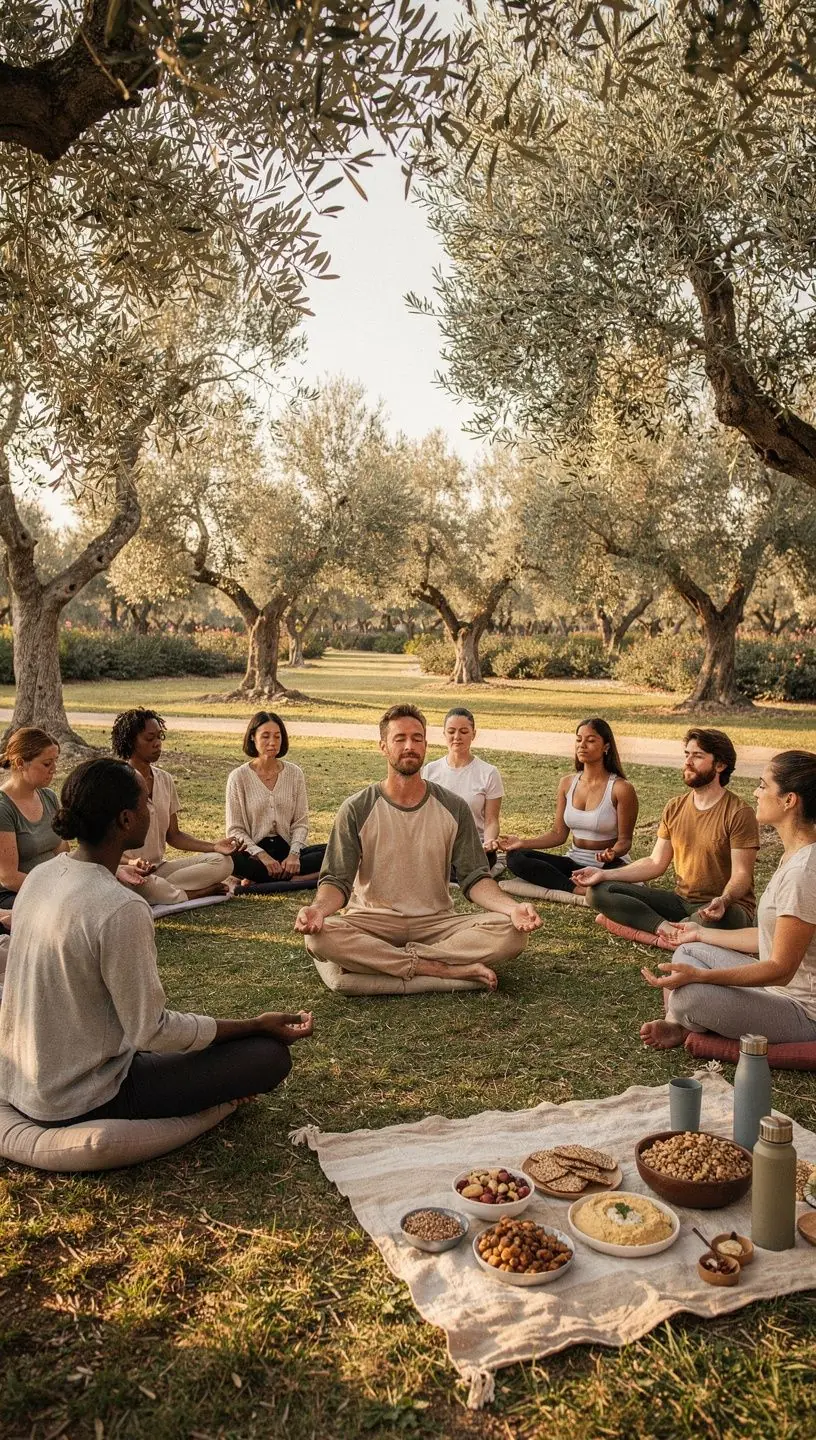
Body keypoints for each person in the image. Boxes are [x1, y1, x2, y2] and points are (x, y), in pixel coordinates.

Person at [0, 757, 313, 1124]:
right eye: (144, 802)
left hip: (24, 1079)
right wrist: (254, 1024)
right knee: (267, 1056)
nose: (151, 809)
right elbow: (151, 1031)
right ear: (126, 819)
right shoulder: (121, 907)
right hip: (80, 1096)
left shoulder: (42, 876)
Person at [295, 703, 541, 991]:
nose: (409, 746)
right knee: (319, 936)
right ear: (383, 746)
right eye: (400, 739)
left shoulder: (454, 807)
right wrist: (318, 910)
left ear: (426, 744)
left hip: (435, 924)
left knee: (511, 934)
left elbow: (475, 878)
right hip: (373, 923)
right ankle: (438, 969)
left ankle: (389, 963)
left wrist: (512, 909)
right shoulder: (356, 808)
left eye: (417, 738)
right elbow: (336, 881)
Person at [640, 751, 816, 1049]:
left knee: (690, 995)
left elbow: (780, 969)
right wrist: (701, 933)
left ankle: (683, 1021)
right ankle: (678, 1023)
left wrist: (703, 977)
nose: (756, 793)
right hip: (774, 989)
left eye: (763, 785)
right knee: (690, 950)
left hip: (801, 1011)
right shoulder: (794, 855)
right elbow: (767, 939)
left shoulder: (804, 871)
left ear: (789, 800)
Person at [575, 728, 759, 935]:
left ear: (720, 765)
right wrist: (603, 874)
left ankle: (678, 928)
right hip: (681, 902)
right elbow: (655, 862)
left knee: (724, 918)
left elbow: (742, 875)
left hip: (726, 908)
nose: (688, 762)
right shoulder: (675, 806)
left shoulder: (739, 812)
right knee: (599, 891)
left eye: (697, 756)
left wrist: (724, 900)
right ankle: (666, 929)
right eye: (687, 754)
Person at [111, 708, 238, 905]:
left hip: (159, 870)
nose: (157, 743)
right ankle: (195, 892)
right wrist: (130, 863)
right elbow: (102, 845)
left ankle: (160, 890)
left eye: (160, 736)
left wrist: (214, 846)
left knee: (223, 862)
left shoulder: (165, 779)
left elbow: (174, 836)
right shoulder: (115, 782)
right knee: (139, 882)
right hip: (125, 871)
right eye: (149, 738)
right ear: (130, 741)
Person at [500, 718, 638, 893]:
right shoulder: (567, 783)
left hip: (607, 866)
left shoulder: (621, 788)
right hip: (573, 862)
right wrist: (522, 843)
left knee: (613, 883)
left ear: (606, 747)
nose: (582, 745)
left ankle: (585, 885)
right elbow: (558, 834)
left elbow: (625, 841)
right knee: (516, 858)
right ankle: (576, 888)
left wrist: (613, 852)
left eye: (591, 740)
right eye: (579, 739)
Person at [226, 711, 326, 892]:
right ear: (252, 738)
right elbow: (235, 829)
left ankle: (284, 878)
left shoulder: (295, 774)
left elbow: (300, 823)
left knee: (336, 850)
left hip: (289, 854)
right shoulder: (238, 777)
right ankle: (300, 879)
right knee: (225, 858)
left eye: (277, 737)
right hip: (254, 855)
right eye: (265, 736)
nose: (272, 742)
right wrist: (261, 855)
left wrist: (294, 854)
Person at [421, 706, 504, 868]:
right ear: (444, 733)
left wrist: (489, 842)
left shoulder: (489, 773)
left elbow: (491, 820)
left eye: (464, 732)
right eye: (451, 731)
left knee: (481, 861)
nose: (457, 737)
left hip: (473, 845)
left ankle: (447, 870)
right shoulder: (430, 770)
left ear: (474, 734)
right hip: (439, 844)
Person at [0, 727, 68, 909]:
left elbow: (62, 852)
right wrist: (56, 888)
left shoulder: (49, 797)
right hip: (14, 894)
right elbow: (9, 878)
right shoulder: (3, 808)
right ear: (21, 763)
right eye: (47, 764)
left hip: (52, 887)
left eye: (55, 761)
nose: (54, 769)